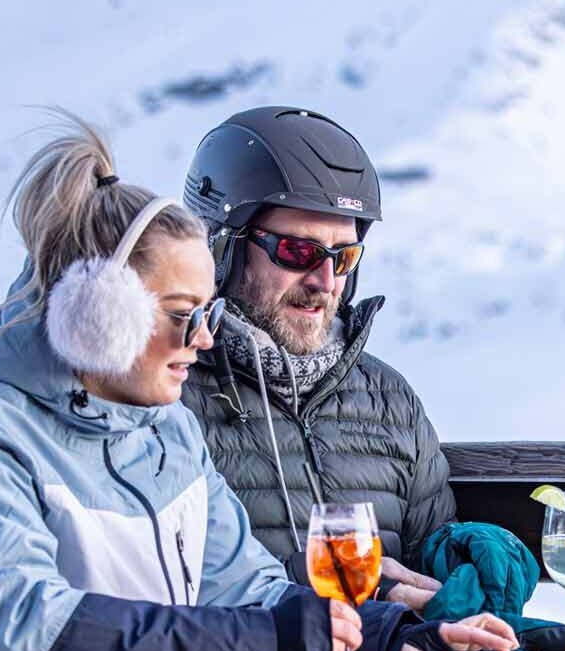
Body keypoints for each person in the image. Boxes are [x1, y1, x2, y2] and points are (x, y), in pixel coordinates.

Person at [0, 110, 515, 651]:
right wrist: (277, 641)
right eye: (179, 314)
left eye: (205, 313)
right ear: (96, 315)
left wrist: (386, 641)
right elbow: (34, 639)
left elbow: (248, 591)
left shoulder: (164, 434)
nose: (201, 336)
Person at [177, 106, 454, 612]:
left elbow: (429, 571)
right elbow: (144, 592)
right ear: (221, 250)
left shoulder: (388, 400)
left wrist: (463, 560)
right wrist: (306, 594)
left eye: (343, 258)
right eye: (297, 252)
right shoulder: (165, 393)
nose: (325, 283)